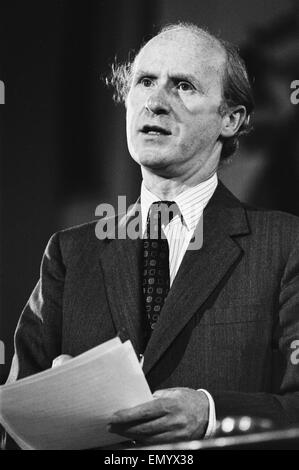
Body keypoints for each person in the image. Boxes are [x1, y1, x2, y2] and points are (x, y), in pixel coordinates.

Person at [3, 22, 299, 448]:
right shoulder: (70, 254)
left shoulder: (286, 246)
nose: (155, 102)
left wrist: (211, 414)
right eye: (145, 81)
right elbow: (15, 424)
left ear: (231, 119)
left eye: (183, 86)